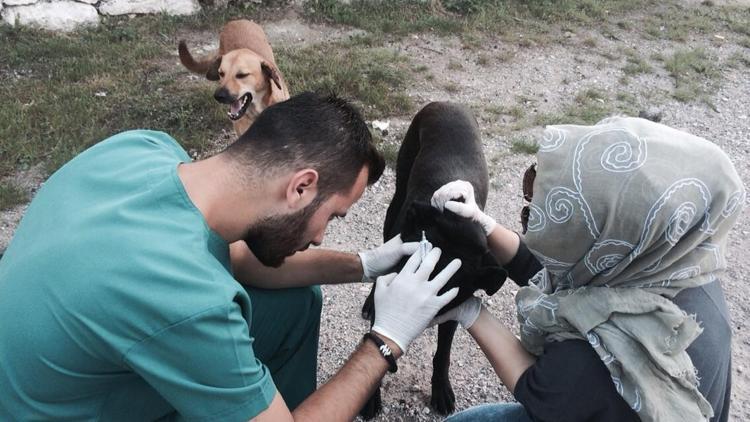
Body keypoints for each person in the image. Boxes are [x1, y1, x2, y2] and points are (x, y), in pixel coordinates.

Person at [0, 92, 463, 421]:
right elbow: (191, 295)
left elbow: (238, 259)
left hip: (52, 372)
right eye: (334, 216)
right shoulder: (190, 300)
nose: (322, 237)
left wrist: (366, 264)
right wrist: (386, 338)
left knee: (297, 302)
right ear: (301, 187)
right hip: (55, 411)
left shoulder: (143, 147)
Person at [431, 116, 744, 422]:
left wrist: (471, 312)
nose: (534, 212)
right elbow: (556, 274)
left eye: (561, 215)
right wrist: (483, 224)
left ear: (612, 240)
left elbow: (537, 388)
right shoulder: (669, 265)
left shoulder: (612, 353)